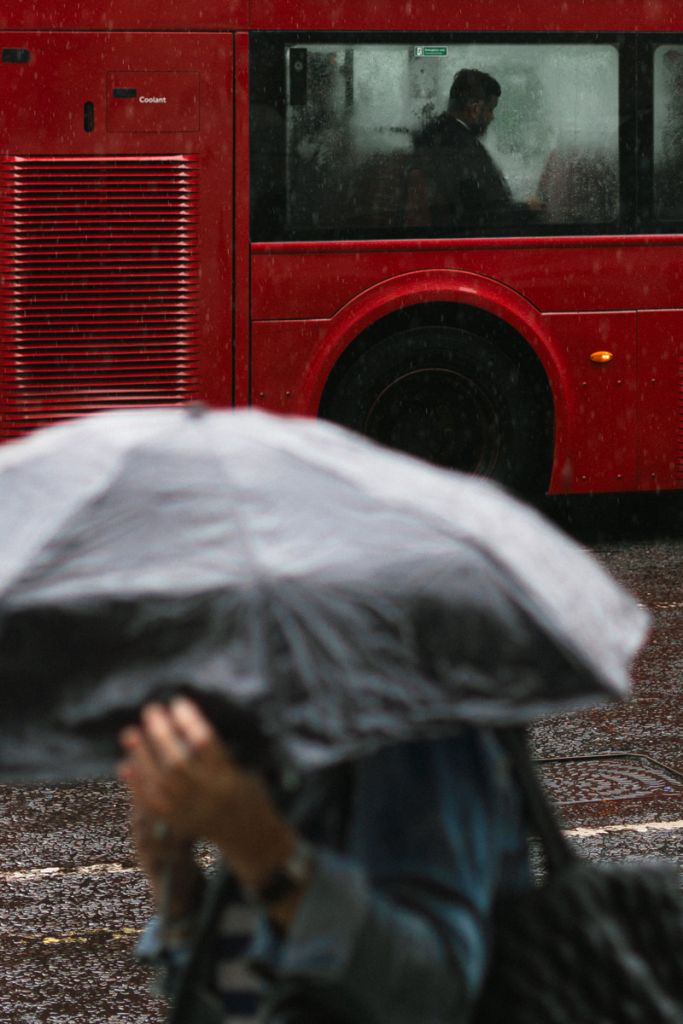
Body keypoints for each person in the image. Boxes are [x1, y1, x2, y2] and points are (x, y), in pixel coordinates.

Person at [118, 696, 532, 1023]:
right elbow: (241, 999)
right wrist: (176, 884)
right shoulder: (279, 724)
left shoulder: (415, 734)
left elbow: (432, 999)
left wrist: (261, 850)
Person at [413, 68, 539, 229]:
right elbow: (485, 214)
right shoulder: (463, 148)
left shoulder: (433, 134)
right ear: (475, 108)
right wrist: (526, 209)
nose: (492, 118)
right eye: (491, 110)